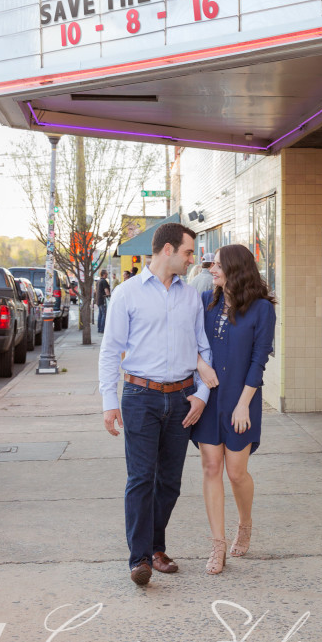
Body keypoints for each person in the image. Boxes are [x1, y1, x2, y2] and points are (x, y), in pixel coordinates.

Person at [99, 223, 218, 586]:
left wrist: (201, 394)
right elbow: (110, 350)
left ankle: (155, 546)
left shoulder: (189, 296)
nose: (192, 259)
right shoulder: (127, 294)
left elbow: (203, 348)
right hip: (140, 397)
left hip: (181, 399)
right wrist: (108, 400)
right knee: (140, 479)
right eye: (187, 252)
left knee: (169, 481)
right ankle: (139, 559)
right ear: (167, 250)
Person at [191, 244, 276, 574]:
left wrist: (244, 404)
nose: (212, 269)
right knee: (212, 467)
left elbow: (259, 361)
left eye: (218, 265)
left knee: (236, 472)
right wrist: (201, 365)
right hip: (209, 397)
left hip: (243, 401)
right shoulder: (206, 302)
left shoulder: (261, 309)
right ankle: (218, 544)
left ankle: (245, 523)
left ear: (236, 269)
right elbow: (191, 342)